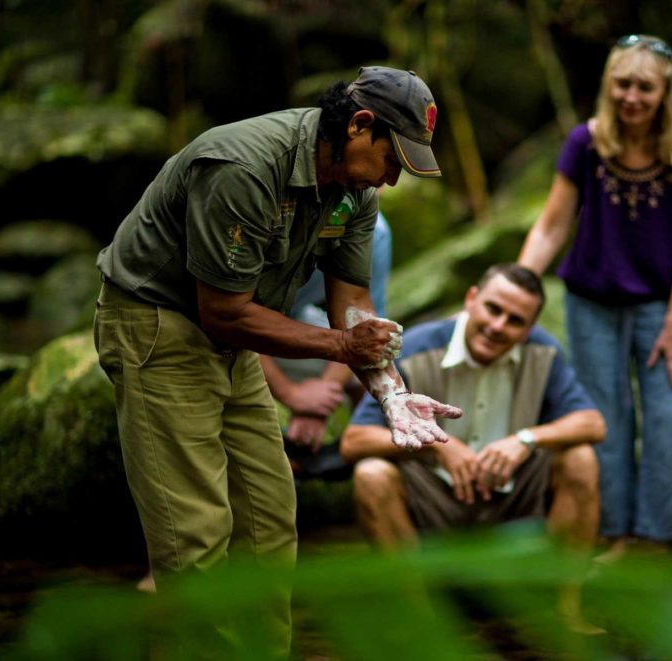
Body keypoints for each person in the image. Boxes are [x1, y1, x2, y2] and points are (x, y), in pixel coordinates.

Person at [92, 66, 461, 655]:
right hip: (159, 324)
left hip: (236, 333)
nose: (393, 181)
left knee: (270, 515)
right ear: (361, 126)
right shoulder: (244, 168)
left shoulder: (355, 191)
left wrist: (389, 388)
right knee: (196, 534)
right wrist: (341, 349)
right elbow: (223, 312)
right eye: (395, 160)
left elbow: (352, 304)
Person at [517, 34, 672, 555]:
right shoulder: (586, 142)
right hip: (592, 303)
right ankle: (611, 534)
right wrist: (516, 286)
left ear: (666, 91)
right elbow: (552, 227)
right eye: (622, 84)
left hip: (662, 304)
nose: (632, 97)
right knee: (603, 418)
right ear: (609, 86)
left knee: (670, 416)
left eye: (645, 87)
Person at [341, 263, 606, 549]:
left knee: (581, 459)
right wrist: (437, 445)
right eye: (493, 309)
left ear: (530, 329)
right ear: (471, 300)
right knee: (371, 474)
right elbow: (354, 441)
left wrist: (525, 440)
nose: (497, 326)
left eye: (515, 320)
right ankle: (413, 592)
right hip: (432, 498)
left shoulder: (543, 352)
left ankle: (565, 592)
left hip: (513, 496)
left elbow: (592, 423)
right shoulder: (415, 347)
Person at [260, 212, 393, 473]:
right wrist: (290, 393)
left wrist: (320, 399)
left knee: (380, 362)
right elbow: (232, 317)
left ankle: (365, 460)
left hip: (289, 320)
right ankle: (269, 461)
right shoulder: (273, 212)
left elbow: (364, 327)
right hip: (222, 328)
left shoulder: (374, 232)